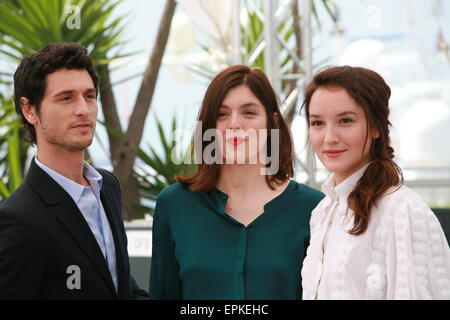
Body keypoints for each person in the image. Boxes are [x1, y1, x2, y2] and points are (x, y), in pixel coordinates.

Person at [149, 65, 324, 300]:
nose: (234, 124)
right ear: (208, 126)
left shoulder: (313, 208)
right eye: (221, 114)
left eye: (249, 113)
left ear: (272, 123)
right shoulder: (174, 205)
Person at [0, 42, 148, 299]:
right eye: (66, 98)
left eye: (89, 96)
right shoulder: (18, 220)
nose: (83, 110)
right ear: (30, 110)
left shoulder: (108, 187)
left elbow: (120, 286)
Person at [301, 65, 450, 300]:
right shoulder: (323, 212)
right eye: (317, 123)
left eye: (345, 121)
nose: (329, 137)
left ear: (376, 127)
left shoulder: (403, 212)